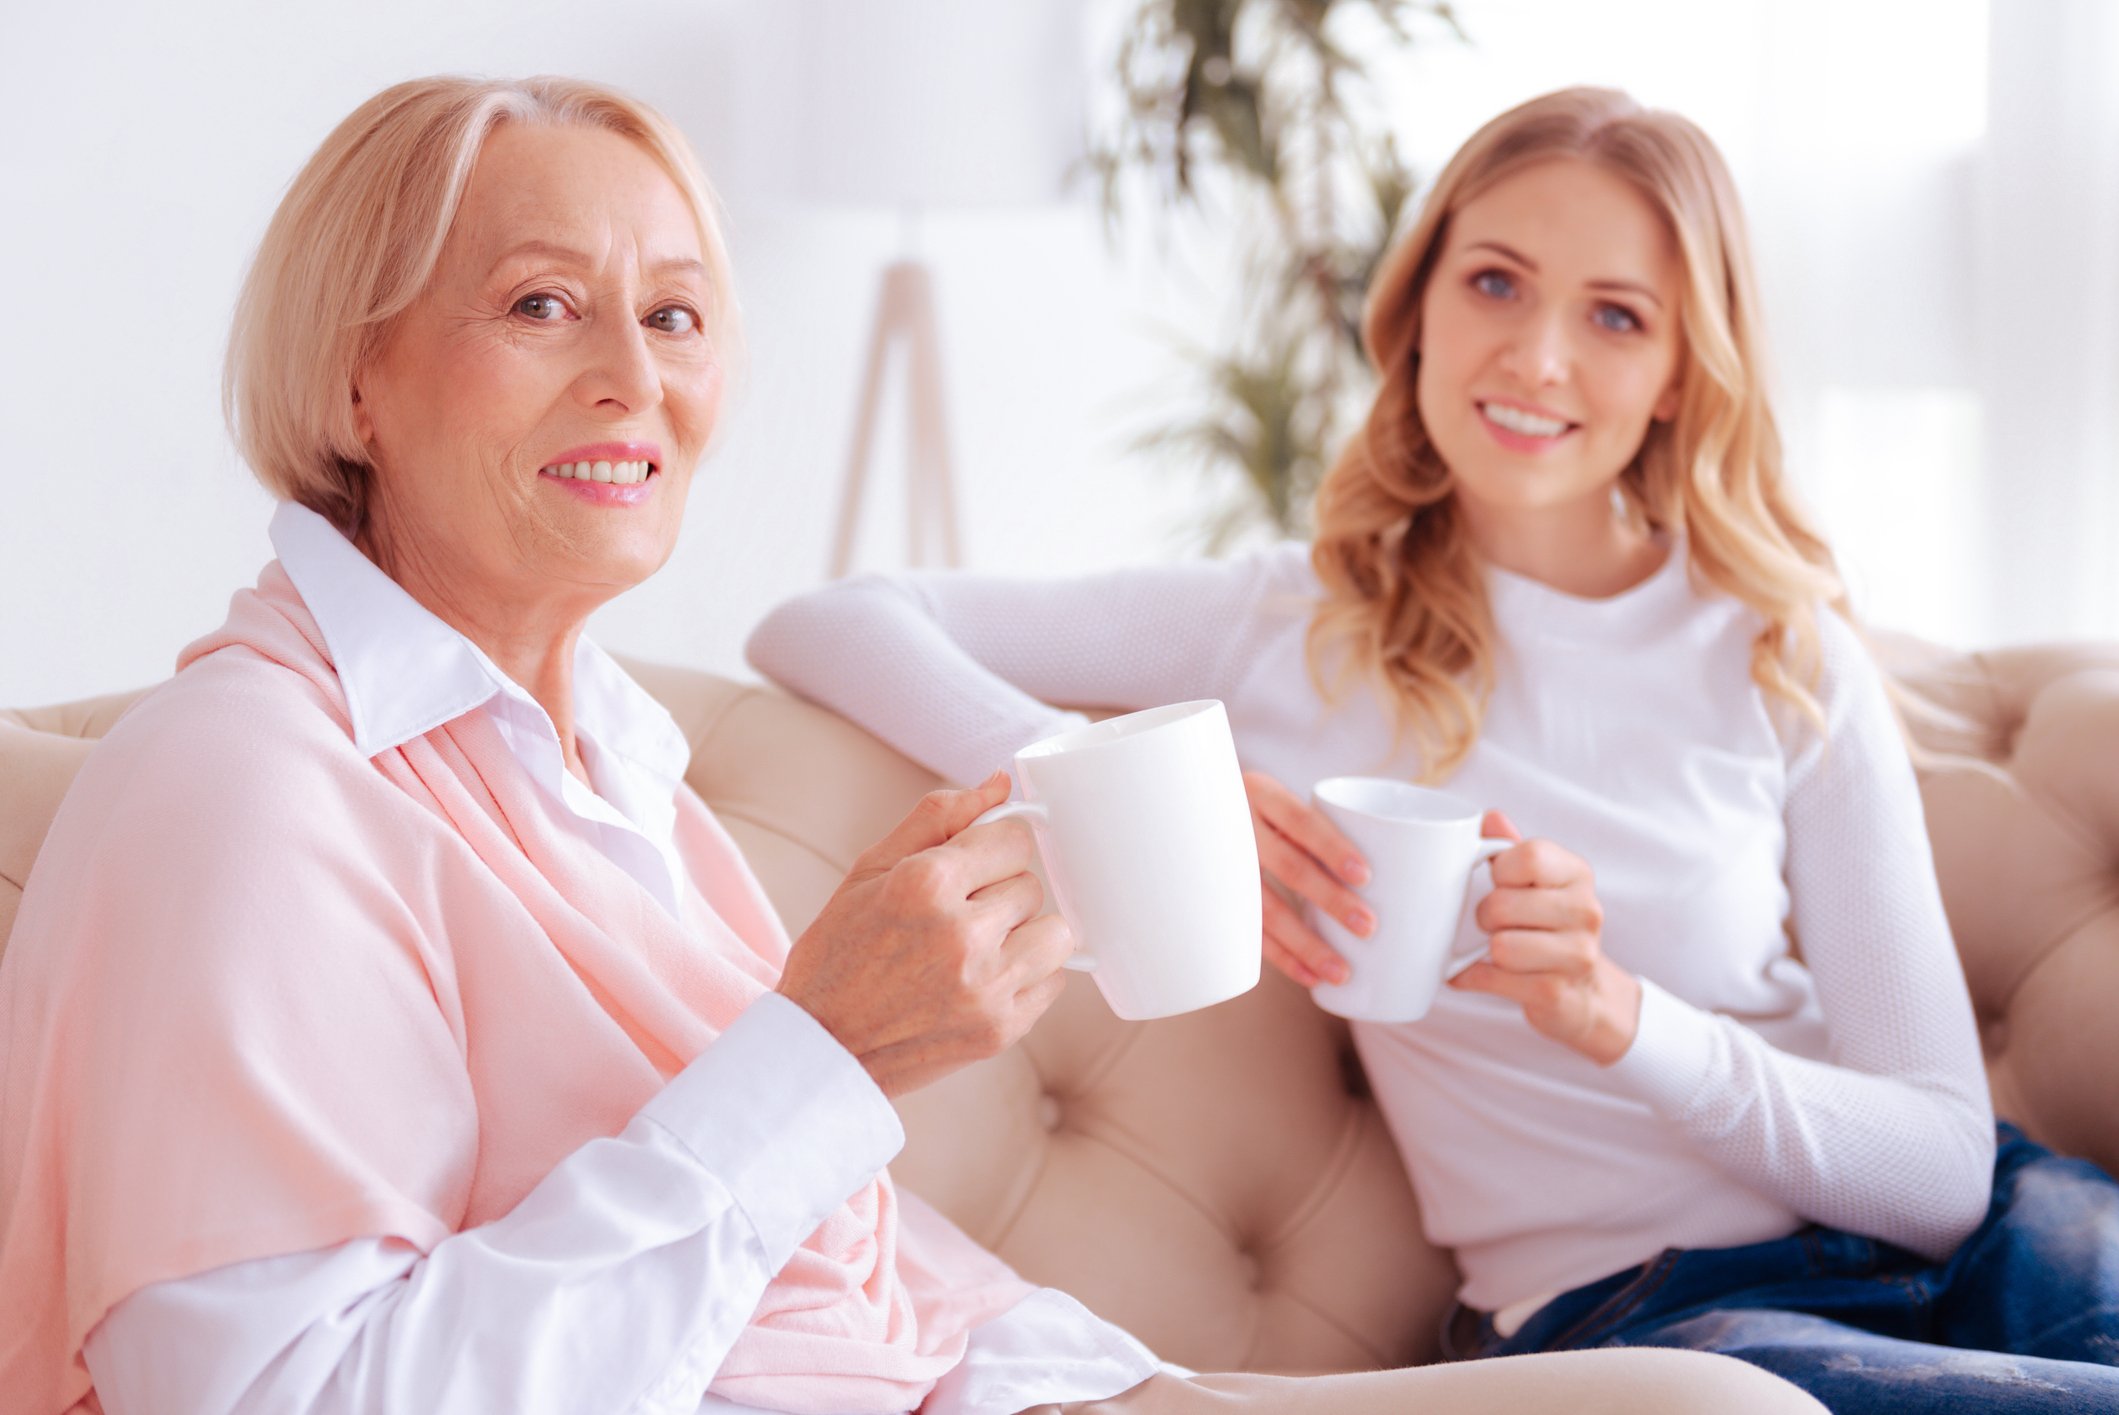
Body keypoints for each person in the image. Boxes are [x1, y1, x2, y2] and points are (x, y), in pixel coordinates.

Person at [0, 76, 1821, 1415]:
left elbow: (847, 1282)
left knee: (1728, 1409)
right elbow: (284, 1398)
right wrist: (828, 1049)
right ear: (353, 376)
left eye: (677, 313)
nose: (636, 375)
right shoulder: (243, 788)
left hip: (1019, 1384)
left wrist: (1127, 1379)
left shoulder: (608, 762)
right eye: (542, 302)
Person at [747, 86, 2119, 1413]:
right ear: (1416, 312)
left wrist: (1623, 1020)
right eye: (1496, 283)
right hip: (1648, 1324)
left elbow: (1942, 1171)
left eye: (1617, 315)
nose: (1536, 358)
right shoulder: (1288, 624)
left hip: (1991, 1240)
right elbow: (829, 619)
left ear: (1680, 373)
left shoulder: (1780, 649)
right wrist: (1143, 792)